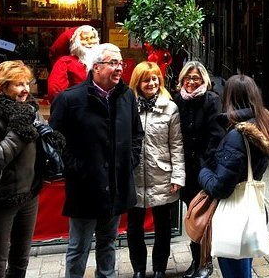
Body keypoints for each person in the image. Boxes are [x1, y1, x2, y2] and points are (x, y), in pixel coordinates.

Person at [50, 43, 144, 278]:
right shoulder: (69, 99)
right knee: (78, 247)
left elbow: (136, 134)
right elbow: (55, 140)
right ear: (96, 67)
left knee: (108, 243)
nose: (119, 68)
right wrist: (76, 168)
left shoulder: (126, 96)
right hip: (85, 187)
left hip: (115, 185)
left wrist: (128, 161)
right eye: (113, 63)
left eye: (120, 63)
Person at [0, 60, 64, 278]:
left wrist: (52, 141)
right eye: (18, 84)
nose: (25, 90)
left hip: (28, 195)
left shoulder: (30, 111)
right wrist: (18, 130)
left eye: (27, 83)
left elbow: (41, 148)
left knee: (20, 262)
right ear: (1, 88)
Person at [198, 74, 269, 278]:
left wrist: (203, 171)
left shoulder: (237, 136)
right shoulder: (265, 126)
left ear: (229, 98)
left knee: (235, 269)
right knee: (244, 266)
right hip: (249, 210)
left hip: (233, 214)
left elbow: (220, 187)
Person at [127, 61, 185, 278]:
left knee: (163, 227)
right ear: (137, 82)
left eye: (154, 79)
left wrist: (178, 175)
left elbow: (177, 145)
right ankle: (138, 269)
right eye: (146, 79)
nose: (151, 83)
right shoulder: (128, 106)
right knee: (134, 227)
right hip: (134, 175)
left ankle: (159, 268)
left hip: (162, 174)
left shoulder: (170, 108)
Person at [175, 61, 225, 278]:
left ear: (203, 80)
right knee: (191, 213)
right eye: (188, 78)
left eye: (196, 78)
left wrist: (206, 164)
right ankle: (196, 260)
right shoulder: (178, 99)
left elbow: (216, 135)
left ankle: (206, 261)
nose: (192, 82)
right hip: (184, 167)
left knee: (203, 216)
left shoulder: (211, 100)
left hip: (203, 168)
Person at [47, 25, 100, 101]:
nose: (90, 42)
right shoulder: (66, 62)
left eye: (92, 38)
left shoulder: (102, 60)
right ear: (76, 42)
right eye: (85, 39)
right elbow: (55, 89)